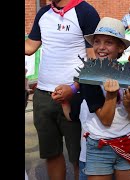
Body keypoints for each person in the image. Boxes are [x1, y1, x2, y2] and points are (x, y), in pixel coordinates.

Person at [61, 17, 130, 179]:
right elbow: (106, 120)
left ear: (120, 47)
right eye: (97, 42)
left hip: (128, 142)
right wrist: (111, 96)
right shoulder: (89, 76)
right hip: (99, 146)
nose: (101, 47)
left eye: (108, 42)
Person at [24, 0, 100, 179]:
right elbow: (29, 47)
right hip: (43, 95)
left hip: (75, 95)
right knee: (51, 153)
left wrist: (74, 88)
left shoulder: (85, 12)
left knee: (78, 157)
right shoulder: (43, 13)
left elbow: (94, 60)